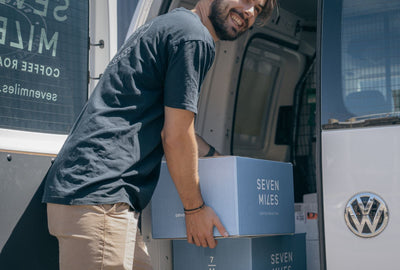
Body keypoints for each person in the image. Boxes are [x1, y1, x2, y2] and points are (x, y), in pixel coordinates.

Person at [42, 0, 276, 269]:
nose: (249, 13)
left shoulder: (172, 24)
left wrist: (215, 157)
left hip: (95, 192)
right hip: (101, 196)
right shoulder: (194, 37)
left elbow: (171, 123)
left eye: (257, 9)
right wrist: (195, 210)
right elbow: (175, 135)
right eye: (247, 0)